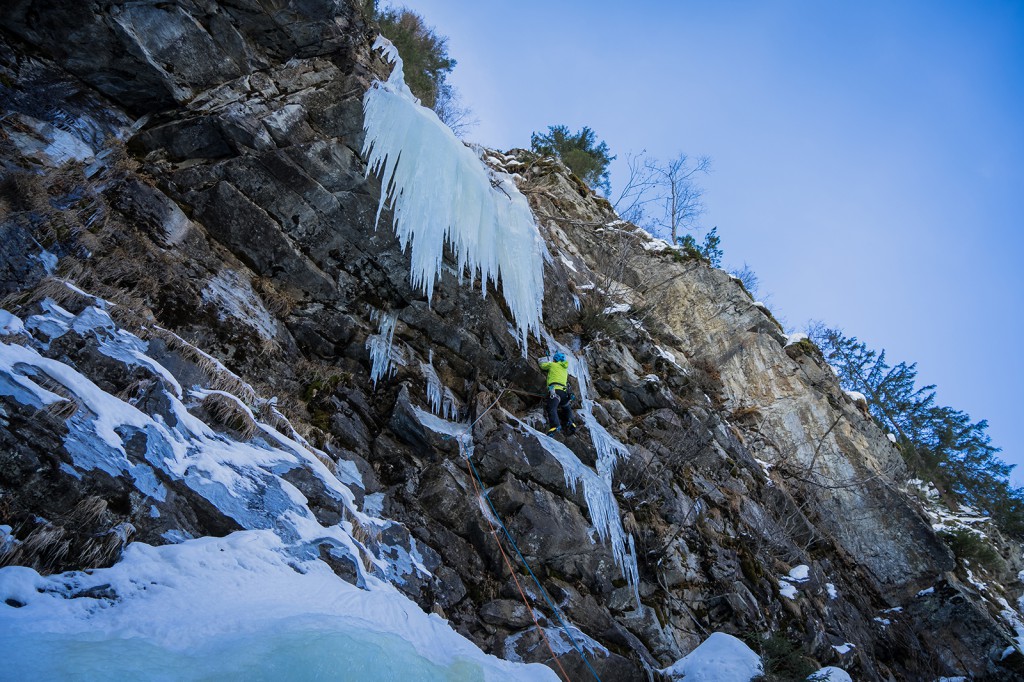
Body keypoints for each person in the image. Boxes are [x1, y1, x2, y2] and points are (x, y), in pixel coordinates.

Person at [538, 351, 577, 435]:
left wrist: (542, 360)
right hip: (564, 392)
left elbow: (542, 366)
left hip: (555, 390)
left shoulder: (552, 364)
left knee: (552, 407)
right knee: (566, 407)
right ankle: (571, 422)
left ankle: (555, 426)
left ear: (555, 359)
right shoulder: (564, 370)